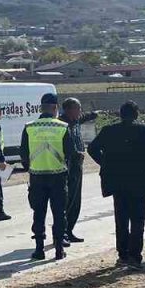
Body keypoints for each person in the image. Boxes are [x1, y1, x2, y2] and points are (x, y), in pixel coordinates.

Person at [86, 101, 145, 268]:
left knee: (121, 220)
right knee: (138, 221)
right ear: (137, 114)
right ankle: (135, 257)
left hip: (117, 182)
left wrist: (105, 164)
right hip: (140, 182)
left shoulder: (109, 130)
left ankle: (123, 255)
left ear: (120, 114)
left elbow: (92, 148)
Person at [20, 92, 77, 261]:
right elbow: (70, 152)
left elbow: (23, 153)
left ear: (41, 108)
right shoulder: (62, 127)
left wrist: (30, 167)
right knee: (59, 213)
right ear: (55, 108)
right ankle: (59, 249)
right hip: (58, 176)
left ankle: (39, 250)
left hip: (37, 177)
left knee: (38, 213)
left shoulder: (29, 127)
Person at [61, 97, 86, 245]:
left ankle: (69, 230)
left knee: (76, 201)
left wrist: (95, 114)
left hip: (77, 166)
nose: (80, 111)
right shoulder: (62, 125)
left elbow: (84, 117)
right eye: (78, 108)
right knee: (67, 201)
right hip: (67, 167)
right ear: (69, 110)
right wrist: (76, 154)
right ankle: (62, 232)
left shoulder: (75, 121)